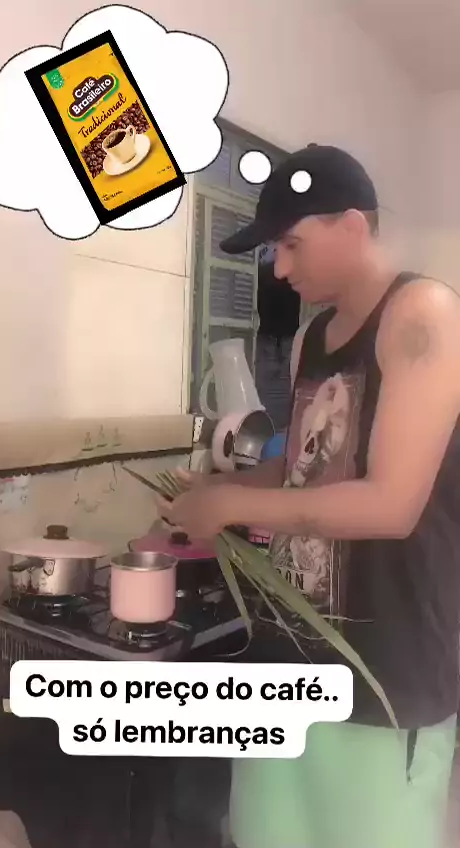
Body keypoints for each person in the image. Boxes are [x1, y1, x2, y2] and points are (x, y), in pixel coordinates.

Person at [157, 144, 460, 848]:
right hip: (290, 658)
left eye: (291, 244)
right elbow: (301, 469)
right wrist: (217, 488)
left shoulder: (424, 314)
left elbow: (390, 505)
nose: (281, 269)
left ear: (352, 225)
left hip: (387, 670)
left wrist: (231, 508)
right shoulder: (311, 338)